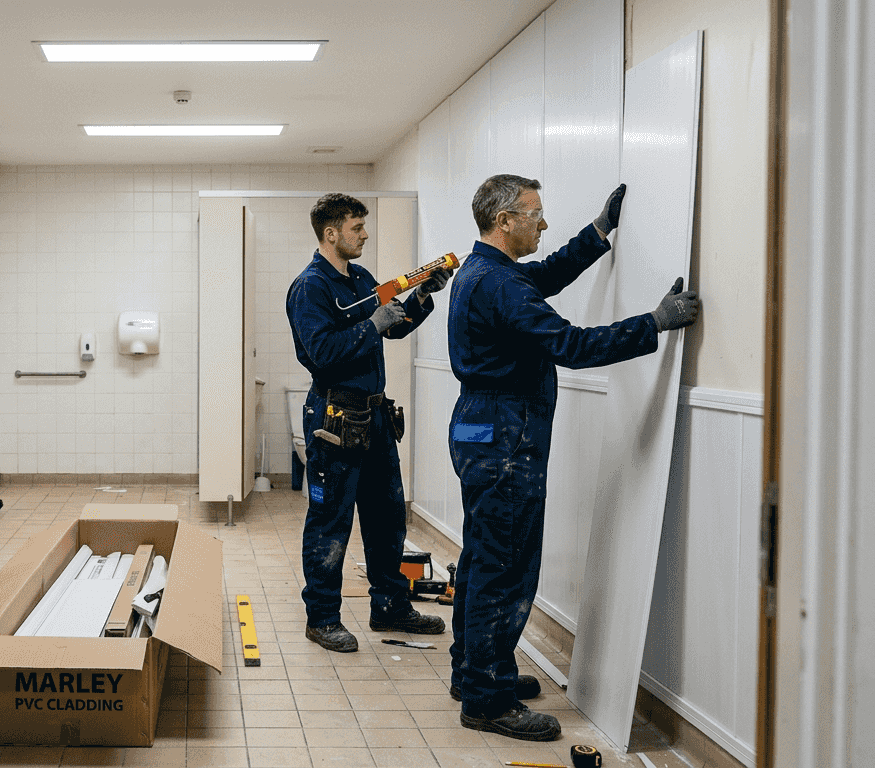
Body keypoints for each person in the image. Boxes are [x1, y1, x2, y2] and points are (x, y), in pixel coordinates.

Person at [446, 175, 701, 741]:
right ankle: (487, 698)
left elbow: (546, 275)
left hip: (480, 430)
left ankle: (475, 673)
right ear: (504, 221)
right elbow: (571, 346)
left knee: (483, 558)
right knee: (506, 567)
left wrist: (598, 232)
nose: (542, 223)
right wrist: (653, 323)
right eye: (534, 214)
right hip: (506, 441)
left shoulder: (484, 272)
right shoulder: (501, 284)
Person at [286, 193, 453, 653]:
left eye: (364, 226)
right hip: (334, 418)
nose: (365, 234)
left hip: (375, 416)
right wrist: (370, 326)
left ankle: (390, 606)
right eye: (357, 228)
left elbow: (395, 324)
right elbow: (321, 353)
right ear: (331, 233)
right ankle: (322, 618)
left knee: (385, 518)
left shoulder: (360, 278)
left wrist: (421, 295)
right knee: (330, 522)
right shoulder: (310, 287)